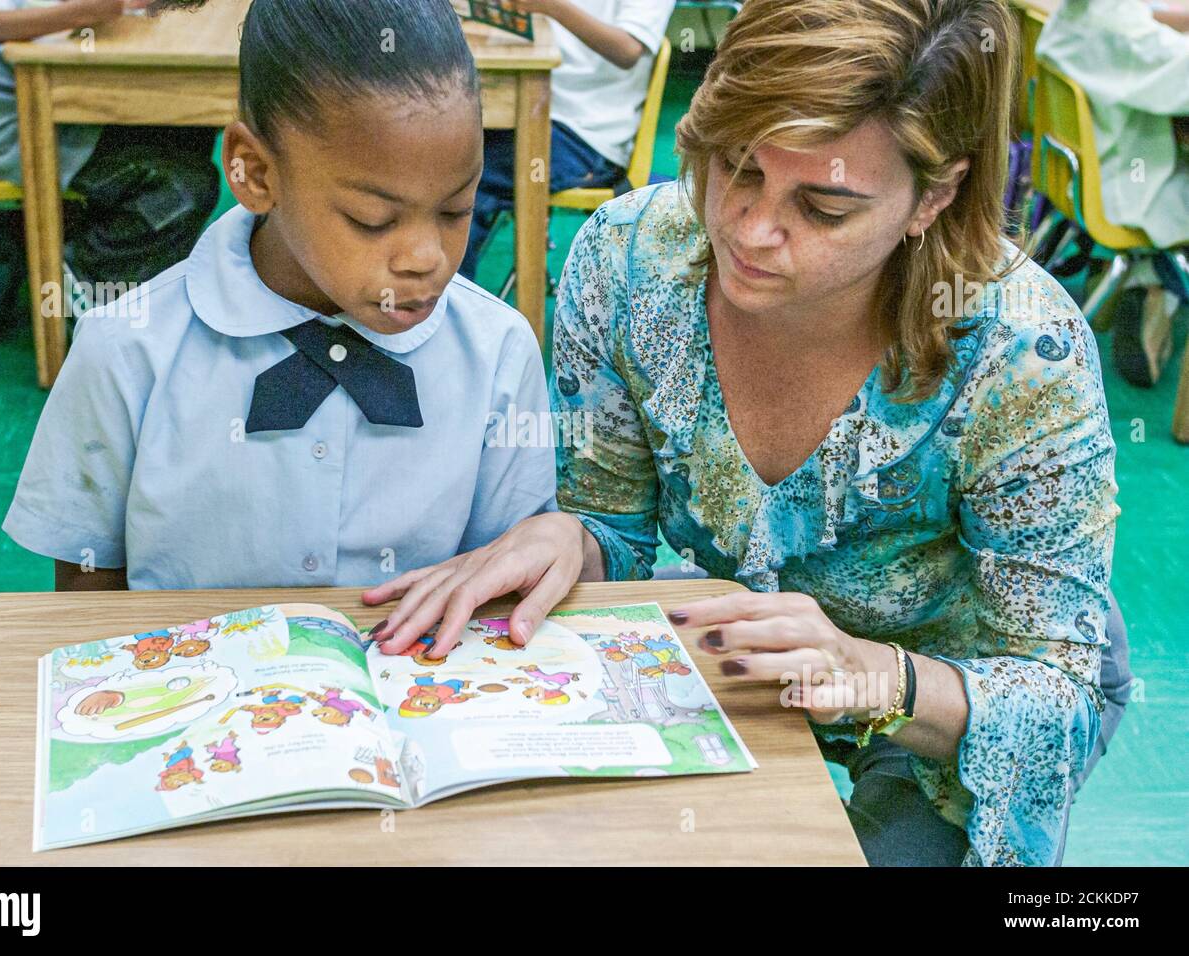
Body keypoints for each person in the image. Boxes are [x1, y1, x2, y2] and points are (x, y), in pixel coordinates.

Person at [364, 0, 1132, 866]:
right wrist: (566, 538)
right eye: (735, 166)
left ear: (937, 194)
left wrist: (872, 675)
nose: (749, 230)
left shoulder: (1022, 355)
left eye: (825, 207)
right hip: (748, 663)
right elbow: (615, 527)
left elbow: (1056, 704)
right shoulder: (631, 258)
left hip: (952, 689)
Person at [1, 0, 556, 590]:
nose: (426, 258)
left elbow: (503, 577)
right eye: (372, 219)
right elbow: (87, 597)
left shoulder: (499, 349)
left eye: (456, 209)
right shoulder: (124, 351)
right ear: (255, 173)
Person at [0, 0, 220, 289]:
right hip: (16, 133)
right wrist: (82, 12)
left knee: (192, 127)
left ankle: (125, 263)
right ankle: (83, 279)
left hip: (48, 107)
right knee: (187, 185)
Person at [459, 0, 675, 278]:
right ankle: (447, 300)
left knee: (463, 173)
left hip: (588, 137)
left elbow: (628, 49)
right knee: (454, 148)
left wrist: (551, 6)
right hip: (540, 109)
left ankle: (448, 305)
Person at [1036, 0, 1189, 387]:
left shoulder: (1074, 16)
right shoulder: (1124, 32)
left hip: (1071, 179)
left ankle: (1143, 281)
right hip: (1124, 192)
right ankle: (1153, 282)